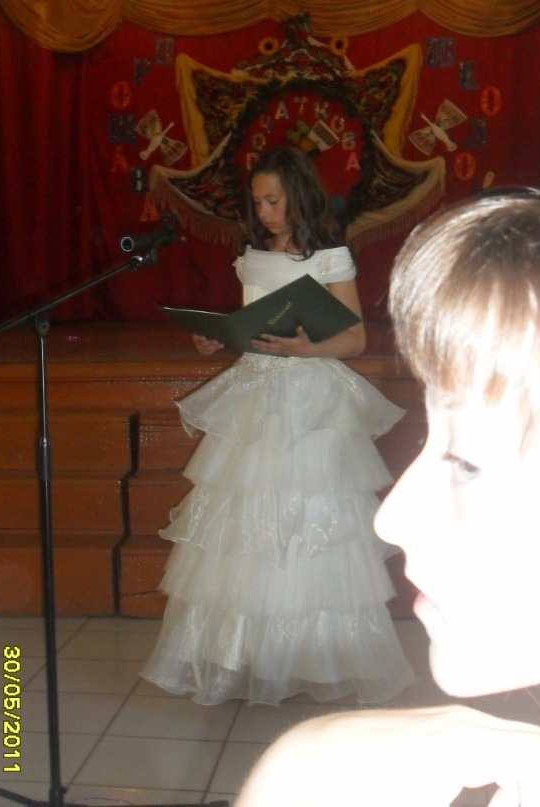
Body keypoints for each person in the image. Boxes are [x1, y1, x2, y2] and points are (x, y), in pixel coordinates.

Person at [235, 188, 540, 804]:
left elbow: (349, 336)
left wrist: (294, 774)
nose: (390, 519)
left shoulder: (328, 258)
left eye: (467, 461)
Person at [140, 145, 414, 706]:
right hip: (258, 395)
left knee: (310, 521)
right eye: (258, 202)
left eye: (274, 201)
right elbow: (251, 326)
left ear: (299, 197)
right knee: (249, 526)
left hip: (312, 399)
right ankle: (252, 655)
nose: (264, 212)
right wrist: (216, 338)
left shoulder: (330, 257)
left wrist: (307, 348)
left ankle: (314, 654)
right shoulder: (252, 255)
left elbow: (355, 339)